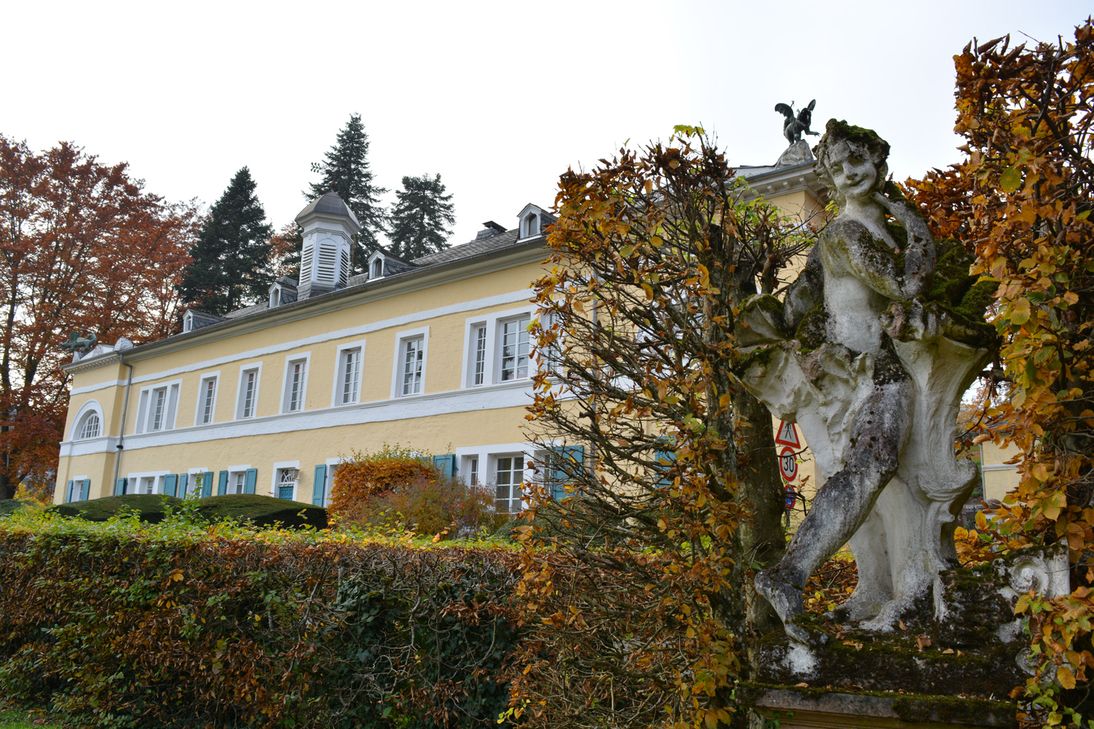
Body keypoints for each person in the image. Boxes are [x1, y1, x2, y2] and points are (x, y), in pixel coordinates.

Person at [753, 120, 936, 641]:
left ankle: (876, 588)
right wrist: (917, 227)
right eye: (835, 169)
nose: (848, 174)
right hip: (875, 372)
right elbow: (904, 283)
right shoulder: (845, 233)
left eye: (855, 162)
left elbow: (798, 302)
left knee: (877, 483)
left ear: (878, 162)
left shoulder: (845, 236)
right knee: (875, 472)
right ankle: (802, 575)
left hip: (852, 375)